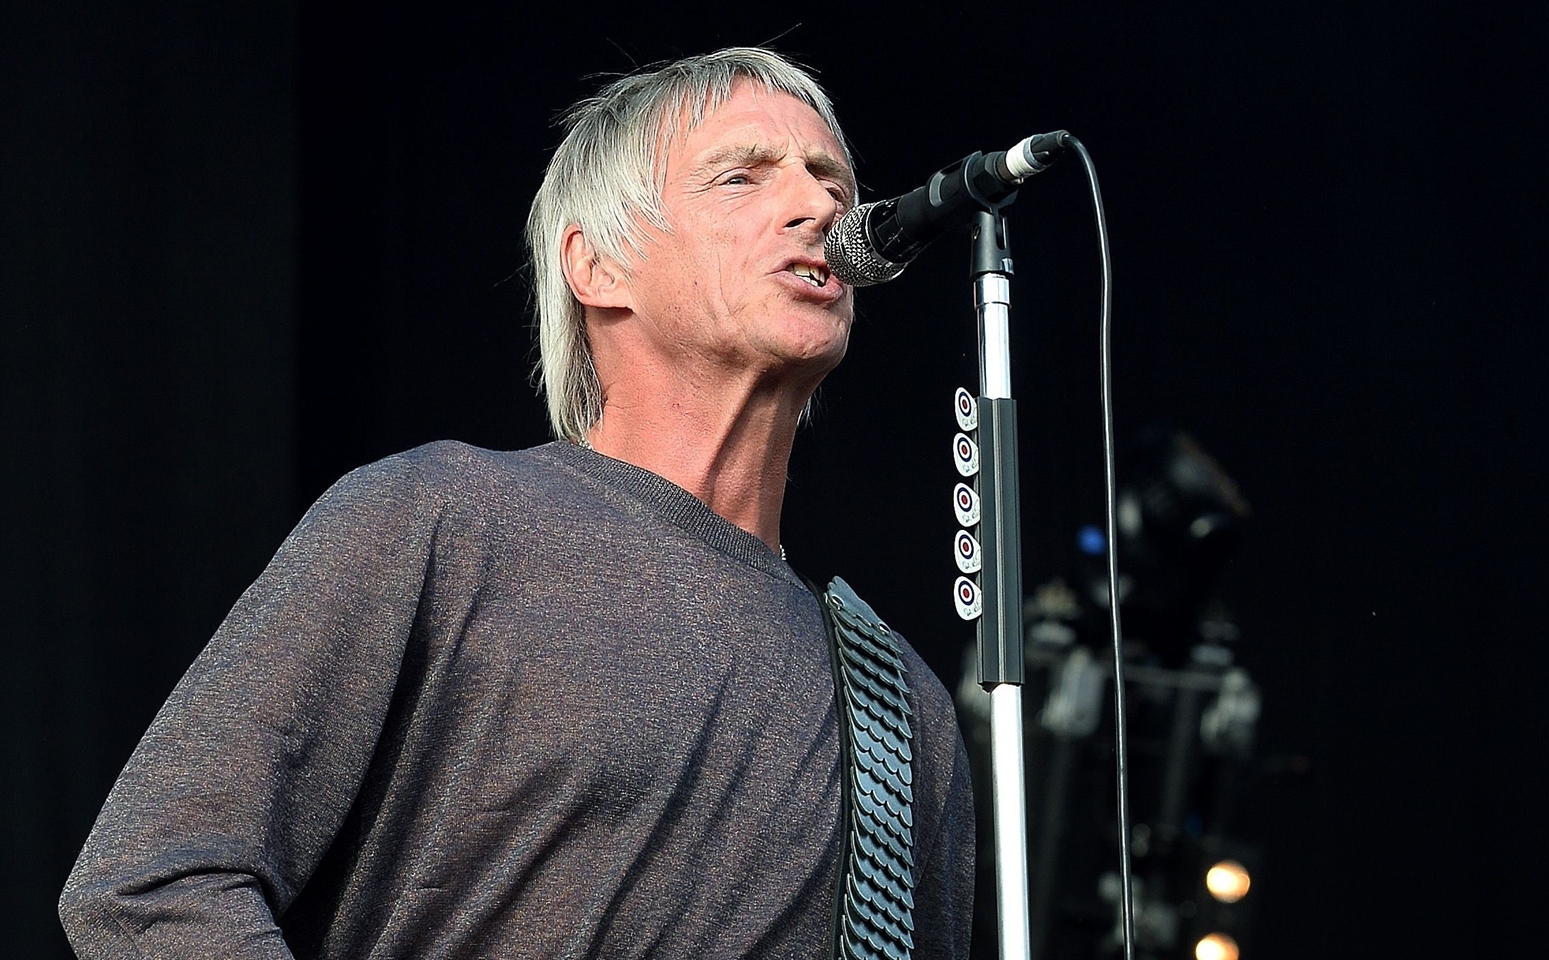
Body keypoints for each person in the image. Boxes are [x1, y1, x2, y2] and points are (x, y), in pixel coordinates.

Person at [59, 47, 975, 959]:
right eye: (741, 178)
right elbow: (151, 887)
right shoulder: (441, 520)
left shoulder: (903, 714)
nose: (819, 208)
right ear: (599, 266)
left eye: (832, 182)